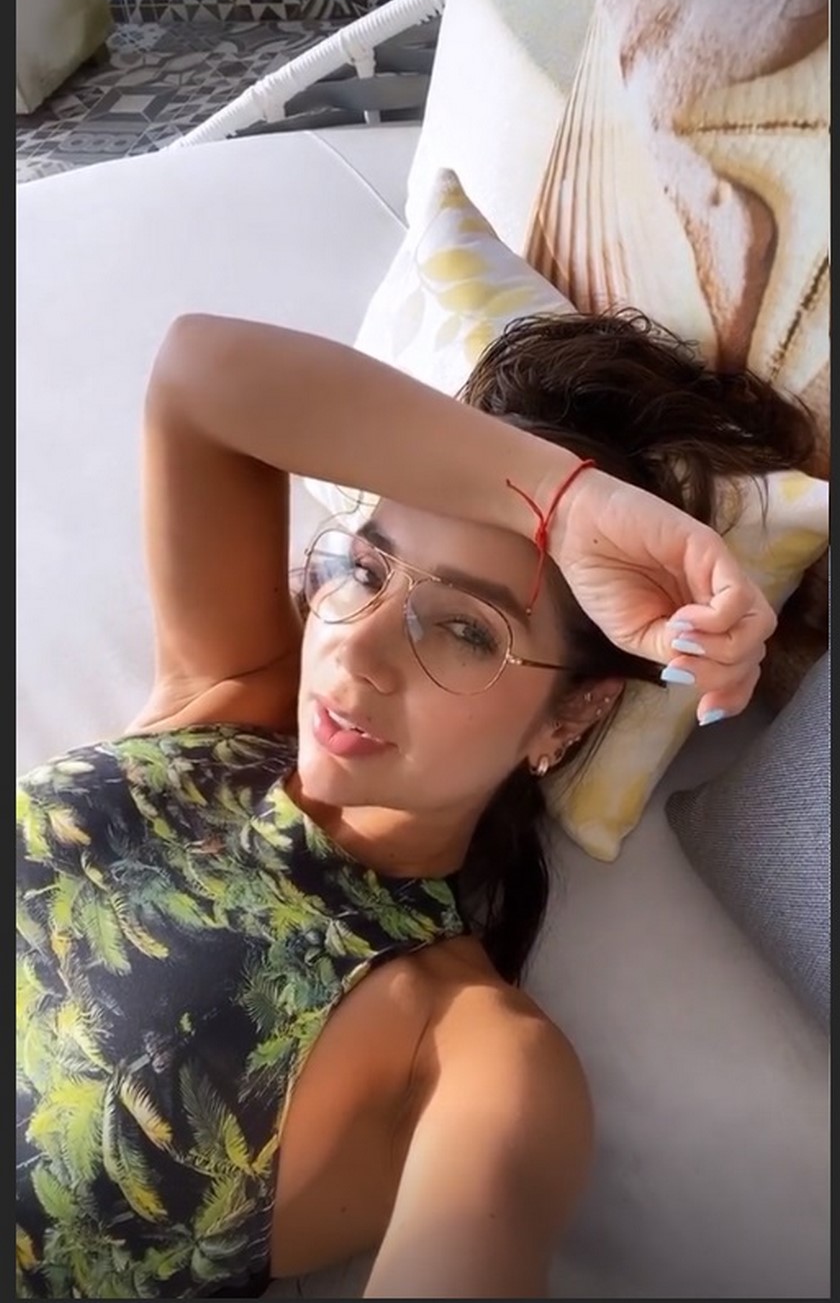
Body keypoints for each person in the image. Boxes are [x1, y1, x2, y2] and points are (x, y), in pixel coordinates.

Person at [16, 308, 813, 1300]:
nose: (357, 646)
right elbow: (198, 371)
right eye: (364, 568)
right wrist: (561, 504)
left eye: (465, 631)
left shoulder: (470, 1054)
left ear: (574, 713)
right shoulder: (221, 699)